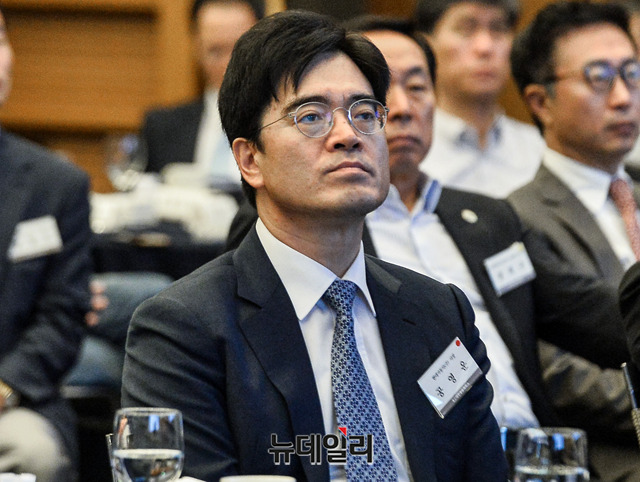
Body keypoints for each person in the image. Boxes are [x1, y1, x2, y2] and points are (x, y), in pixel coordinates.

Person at [122, 10, 508, 481]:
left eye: (364, 114)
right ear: (250, 159)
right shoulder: (184, 329)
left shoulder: (440, 312)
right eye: (311, 117)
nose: (348, 136)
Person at [507, 2, 640, 478]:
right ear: (540, 102)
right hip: (613, 456)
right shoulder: (517, 219)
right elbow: (555, 370)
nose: (623, 97)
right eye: (599, 77)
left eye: (631, 73)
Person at [0, 7, 92, 482]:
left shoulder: (55, 185)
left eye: (0, 39)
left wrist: (4, 387)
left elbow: (62, 317)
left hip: (12, 400)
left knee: (34, 454)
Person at [414, 0, 545, 198]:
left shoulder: (541, 150)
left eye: (498, 29)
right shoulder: (408, 151)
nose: (485, 47)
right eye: (466, 30)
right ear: (426, 46)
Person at [141, 0, 263, 192]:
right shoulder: (162, 128)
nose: (228, 64)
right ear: (196, 48)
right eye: (215, 51)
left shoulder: (282, 125)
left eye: (239, 50)